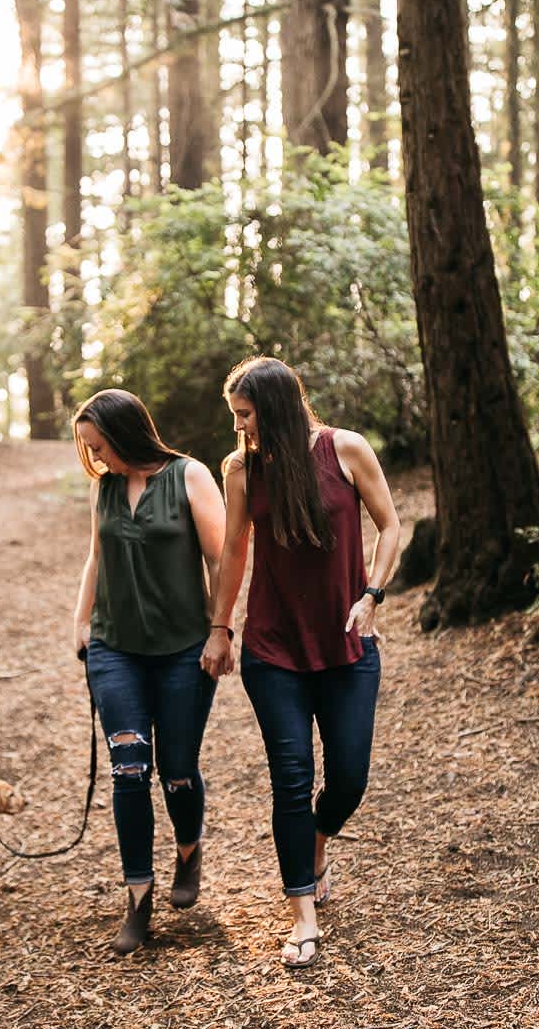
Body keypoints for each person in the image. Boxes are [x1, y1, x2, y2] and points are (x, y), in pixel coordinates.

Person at [201, 358, 400, 968]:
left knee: (348, 781)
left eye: (246, 414)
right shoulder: (241, 469)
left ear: (278, 407)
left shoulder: (346, 450)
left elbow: (390, 526)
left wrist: (373, 596)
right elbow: (234, 552)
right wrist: (219, 627)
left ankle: (317, 840)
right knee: (289, 778)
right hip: (273, 649)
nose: (239, 427)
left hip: (346, 646)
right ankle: (303, 915)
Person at [73, 390, 227, 954]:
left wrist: (222, 628)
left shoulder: (189, 476)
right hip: (117, 649)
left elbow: (221, 557)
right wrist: (82, 619)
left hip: (186, 647)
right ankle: (137, 898)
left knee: (177, 767)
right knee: (129, 771)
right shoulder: (105, 487)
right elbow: (97, 554)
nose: (96, 458)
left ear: (125, 433)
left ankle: (189, 849)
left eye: (99, 446)